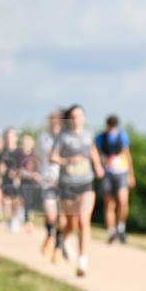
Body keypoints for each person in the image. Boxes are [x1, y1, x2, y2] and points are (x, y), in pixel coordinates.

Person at [51, 105, 103, 276]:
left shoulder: (88, 135)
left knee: (83, 220)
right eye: (73, 116)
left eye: (80, 115)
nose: (76, 119)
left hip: (86, 183)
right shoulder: (62, 136)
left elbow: (92, 151)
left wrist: (97, 166)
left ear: (84, 118)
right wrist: (67, 161)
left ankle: (82, 260)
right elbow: (52, 156)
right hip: (67, 184)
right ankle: (65, 240)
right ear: (69, 118)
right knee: (71, 223)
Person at [94, 114, 136, 244]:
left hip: (121, 171)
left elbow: (127, 155)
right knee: (109, 203)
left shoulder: (122, 136)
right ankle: (111, 231)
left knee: (123, 201)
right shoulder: (100, 137)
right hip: (107, 173)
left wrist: (131, 174)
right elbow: (95, 153)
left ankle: (121, 227)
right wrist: (100, 164)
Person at [37, 111, 66, 261]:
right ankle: (49, 235)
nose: (55, 122)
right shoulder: (44, 138)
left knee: (62, 217)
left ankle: (58, 247)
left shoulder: (67, 138)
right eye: (52, 119)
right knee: (50, 214)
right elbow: (41, 158)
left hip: (65, 182)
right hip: (48, 181)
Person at [0, 128, 24, 233]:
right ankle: (10, 219)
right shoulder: (3, 152)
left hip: (17, 180)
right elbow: (0, 166)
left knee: (16, 200)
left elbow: (24, 165)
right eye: (7, 137)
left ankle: (14, 218)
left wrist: (17, 172)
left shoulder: (20, 151)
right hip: (6, 180)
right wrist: (1, 169)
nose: (9, 139)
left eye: (11, 137)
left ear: (15, 138)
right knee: (6, 200)